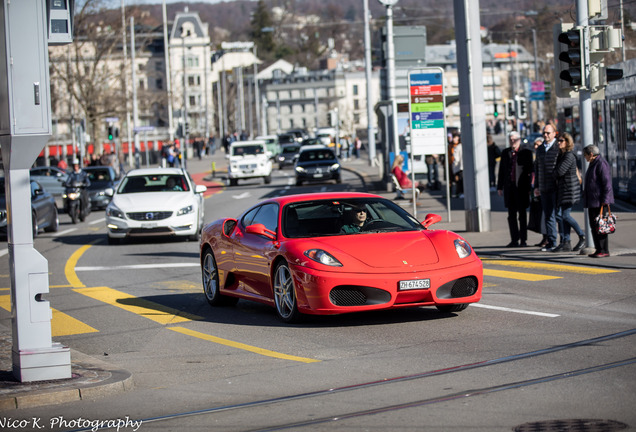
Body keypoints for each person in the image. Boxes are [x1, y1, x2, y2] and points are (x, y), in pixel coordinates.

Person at [497, 131, 534, 247]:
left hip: (521, 188)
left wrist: (530, 187)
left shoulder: (526, 152)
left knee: (522, 215)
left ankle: (523, 240)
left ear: (519, 140)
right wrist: (500, 186)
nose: (513, 142)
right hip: (509, 188)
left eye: (515, 139)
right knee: (511, 215)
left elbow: (530, 171)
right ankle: (514, 239)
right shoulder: (505, 153)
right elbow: (501, 171)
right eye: (511, 139)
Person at [553, 132, 585, 252]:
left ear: (567, 142)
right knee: (562, 216)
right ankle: (566, 242)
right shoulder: (562, 155)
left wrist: (554, 172)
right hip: (564, 189)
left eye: (561, 141)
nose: (558, 143)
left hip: (569, 189)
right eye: (558, 141)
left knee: (564, 215)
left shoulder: (569, 156)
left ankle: (582, 236)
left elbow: (559, 172)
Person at [583, 145, 614, 258]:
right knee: (595, 226)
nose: (584, 157)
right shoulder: (594, 163)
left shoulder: (601, 163)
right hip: (593, 201)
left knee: (600, 227)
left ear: (591, 154)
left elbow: (607, 183)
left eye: (585, 155)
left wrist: (605, 200)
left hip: (599, 201)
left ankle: (603, 250)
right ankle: (599, 249)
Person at [534, 123, 560, 251]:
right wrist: (536, 186)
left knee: (560, 216)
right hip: (544, 187)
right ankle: (552, 241)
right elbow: (537, 168)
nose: (545, 135)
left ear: (554, 133)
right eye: (544, 133)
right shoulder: (540, 149)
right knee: (548, 216)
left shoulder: (558, 147)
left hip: (556, 188)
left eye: (548, 133)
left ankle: (566, 240)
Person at [449, 132, 463, 198]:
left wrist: (454, 165)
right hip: (455, 165)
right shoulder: (450, 145)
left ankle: (460, 192)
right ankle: (457, 193)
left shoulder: (457, 147)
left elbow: (456, 158)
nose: (454, 139)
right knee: (457, 180)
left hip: (458, 166)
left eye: (455, 137)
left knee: (459, 180)